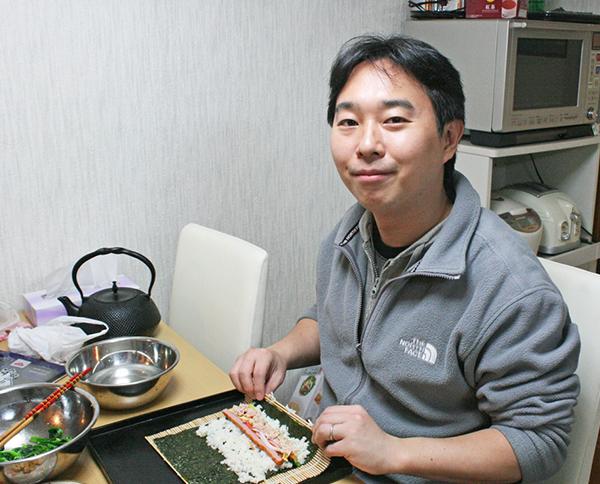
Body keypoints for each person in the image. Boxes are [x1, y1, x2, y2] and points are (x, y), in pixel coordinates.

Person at [230, 34, 580, 484]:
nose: (367, 144)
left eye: (394, 120)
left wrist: (393, 453)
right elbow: (333, 318)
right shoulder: (352, 232)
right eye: (349, 122)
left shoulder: (510, 289)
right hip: (325, 456)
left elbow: (539, 441)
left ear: (449, 138)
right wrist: (281, 352)